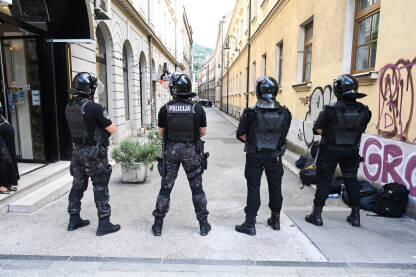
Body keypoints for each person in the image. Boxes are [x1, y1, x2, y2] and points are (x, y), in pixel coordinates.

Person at [305, 74, 371, 227]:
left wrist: (330, 134)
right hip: (351, 151)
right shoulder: (364, 110)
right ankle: (355, 217)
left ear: (337, 90)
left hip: (331, 150)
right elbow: (361, 128)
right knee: (351, 180)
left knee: (324, 180)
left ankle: (317, 215)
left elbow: (317, 129)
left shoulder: (330, 109)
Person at [152, 72, 211, 236]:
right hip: (191, 151)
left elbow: (161, 132)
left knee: (166, 188)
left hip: (171, 151)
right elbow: (202, 132)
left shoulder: (165, 109)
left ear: (173, 90)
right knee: (197, 188)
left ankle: (158, 225)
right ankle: (204, 225)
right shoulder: (197, 109)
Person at [235, 76, 292, 236]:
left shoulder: (250, 112)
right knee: (275, 187)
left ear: (258, 91)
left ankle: (250, 223)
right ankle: (275, 220)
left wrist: (253, 142)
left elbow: (240, 135)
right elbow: (283, 134)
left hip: (255, 155)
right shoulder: (285, 113)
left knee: (253, 187)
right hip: (274, 156)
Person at [65, 72, 120, 236]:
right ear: (90, 89)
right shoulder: (95, 108)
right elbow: (112, 129)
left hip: (77, 152)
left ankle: (73, 219)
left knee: (78, 184)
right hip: (94, 153)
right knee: (100, 185)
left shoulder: (69, 106)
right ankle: (104, 223)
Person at [0, 101, 19, 194]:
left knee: (10, 155)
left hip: (4, 128)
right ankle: (1, 184)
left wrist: (5, 121)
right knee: (3, 156)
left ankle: (9, 181)